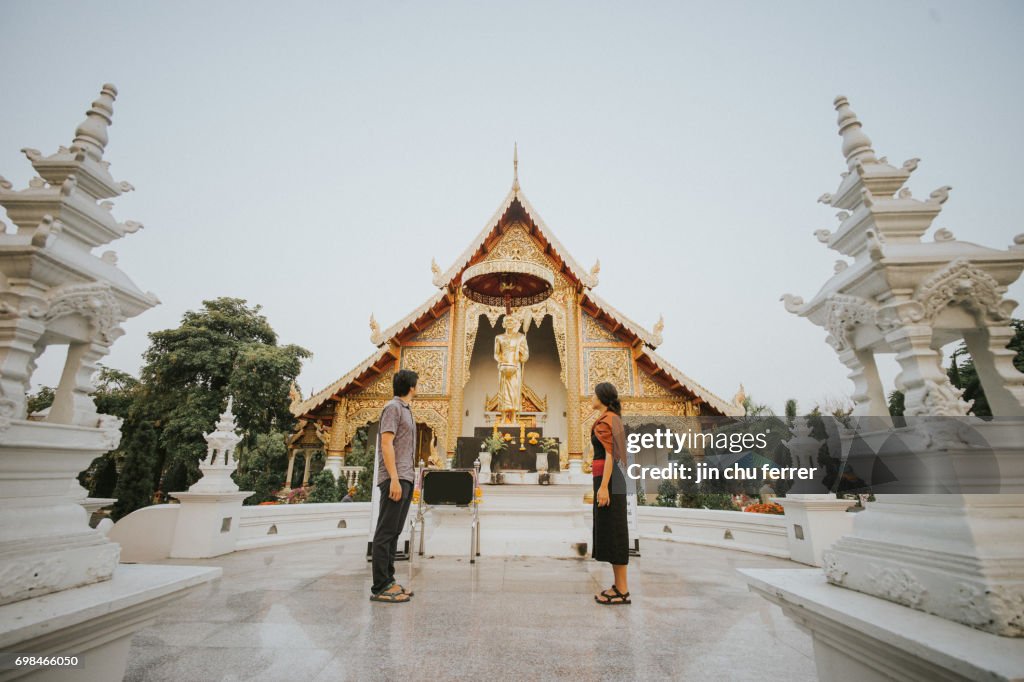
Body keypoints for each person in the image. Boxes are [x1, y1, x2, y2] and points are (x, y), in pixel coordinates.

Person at [369, 368, 418, 603]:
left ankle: (389, 580)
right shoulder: (393, 408)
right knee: (385, 532)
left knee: (395, 531)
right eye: (417, 384)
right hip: (394, 478)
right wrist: (395, 479)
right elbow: (386, 444)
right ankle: (380, 585)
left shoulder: (407, 411)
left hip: (406, 476)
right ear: (411, 387)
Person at [590, 381, 631, 605]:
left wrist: (604, 486)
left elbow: (610, 455)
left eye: (594, 394)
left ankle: (623, 590)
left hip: (610, 481)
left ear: (602, 398)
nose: (591, 398)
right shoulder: (609, 418)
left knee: (615, 532)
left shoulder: (609, 419)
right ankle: (619, 586)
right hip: (608, 479)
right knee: (611, 530)